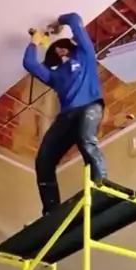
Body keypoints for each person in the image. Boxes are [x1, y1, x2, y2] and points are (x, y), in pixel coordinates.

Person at [22, 12, 107, 214]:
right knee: (43, 159)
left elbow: (75, 19)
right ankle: (51, 210)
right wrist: (34, 43)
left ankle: (100, 187)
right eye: (55, 50)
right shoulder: (54, 75)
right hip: (66, 116)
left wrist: (56, 24)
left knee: (86, 140)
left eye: (63, 46)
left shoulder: (85, 54)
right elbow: (29, 64)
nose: (60, 50)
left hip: (89, 107)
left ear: (71, 47)